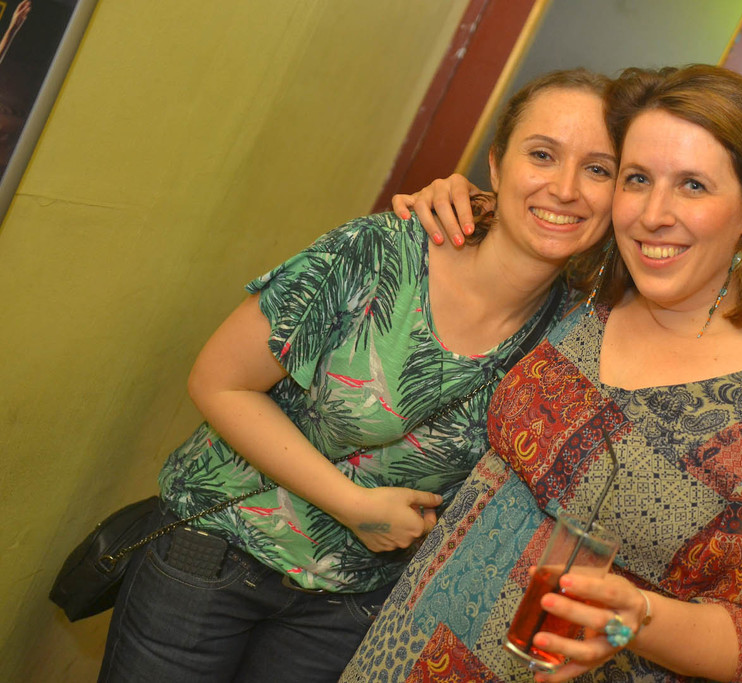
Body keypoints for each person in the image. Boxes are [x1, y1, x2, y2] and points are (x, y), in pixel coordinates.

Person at [340, 64, 742, 682]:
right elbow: (534, 216)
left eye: (693, 185)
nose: (654, 214)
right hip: (399, 653)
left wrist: (638, 617)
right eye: (637, 178)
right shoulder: (588, 295)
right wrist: (461, 198)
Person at [98, 69, 616, 683]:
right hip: (215, 555)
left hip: (348, 609)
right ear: (497, 167)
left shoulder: (575, 338)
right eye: (542, 155)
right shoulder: (382, 252)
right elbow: (219, 382)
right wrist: (352, 505)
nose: (565, 188)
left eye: (598, 169)